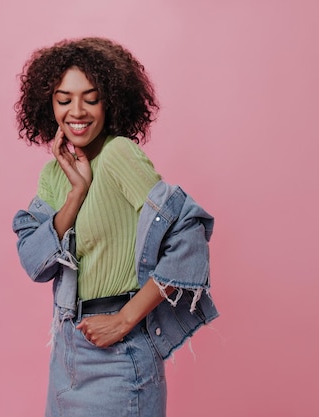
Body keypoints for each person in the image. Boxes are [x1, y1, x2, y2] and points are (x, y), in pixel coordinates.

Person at [12, 37, 218, 417]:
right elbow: (33, 261)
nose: (78, 111)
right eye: (64, 99)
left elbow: (189, 234)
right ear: (49, 104)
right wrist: (77, 192)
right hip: (67, 355)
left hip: (120, 356)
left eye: (91, 98)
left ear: (110, 101)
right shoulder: (53, 175)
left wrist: (125, 319)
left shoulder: (119, 153)